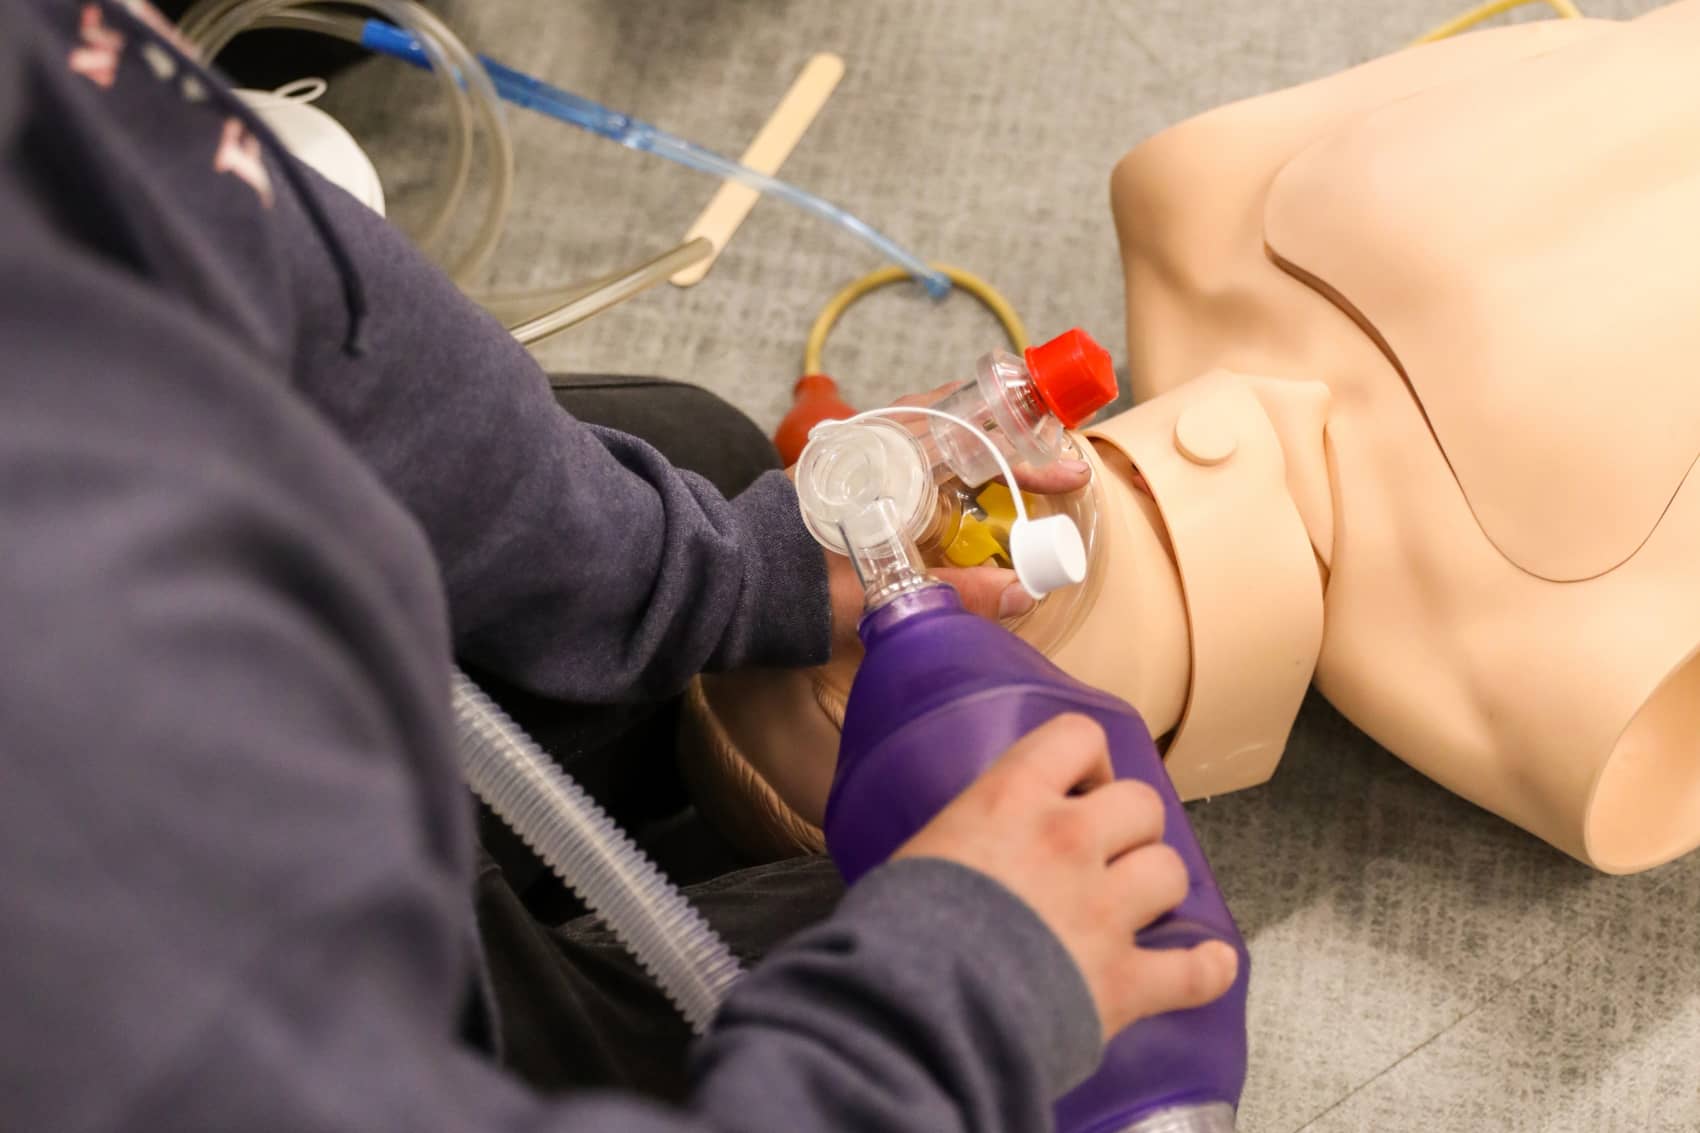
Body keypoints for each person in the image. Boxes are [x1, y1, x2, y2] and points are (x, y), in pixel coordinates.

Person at [0, 1, 1240, 1131]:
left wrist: (714, 565)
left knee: (690, 454)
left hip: (303, 726)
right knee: (1072, 1027)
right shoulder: (87, 846)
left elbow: (302, 296)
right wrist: (954, 999)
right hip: (293, 1013)